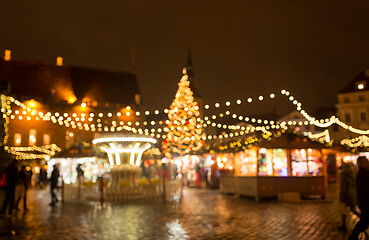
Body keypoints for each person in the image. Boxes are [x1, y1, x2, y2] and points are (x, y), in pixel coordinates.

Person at [349, 156, 369, 240]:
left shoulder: (361, 173)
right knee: (363, 222)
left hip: (364, 202)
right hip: (366, 203)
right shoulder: (364, 174)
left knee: (364, 222)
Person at [338, 162, 359, 231]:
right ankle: (343, 224)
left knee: (344, 209)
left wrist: (341, 196)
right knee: (353, 209)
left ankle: (343, 225)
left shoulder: (343, 174)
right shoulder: (352, 173)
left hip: (346, 194)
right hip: (352, 193)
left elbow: (343, 187)